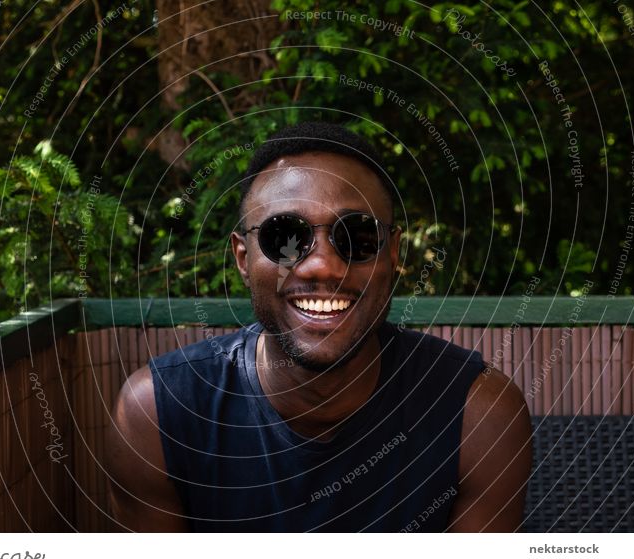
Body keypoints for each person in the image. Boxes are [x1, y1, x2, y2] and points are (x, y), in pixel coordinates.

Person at [106, 122, 532, 532]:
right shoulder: (158, 415)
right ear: (243, 258)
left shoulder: (478, 416)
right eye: (285, 236)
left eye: (357, 237)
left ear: (393, 254)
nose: (322, 265)